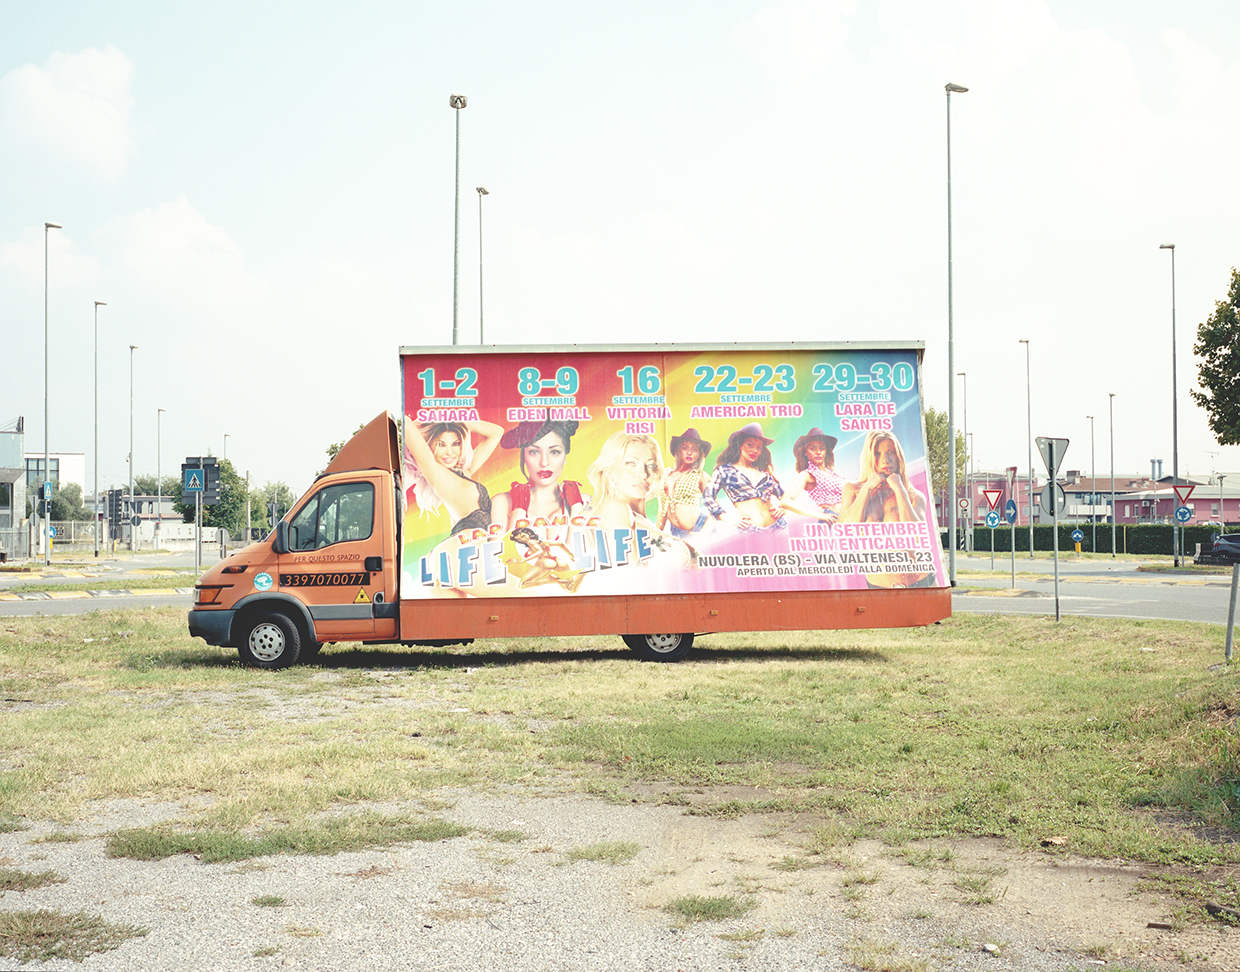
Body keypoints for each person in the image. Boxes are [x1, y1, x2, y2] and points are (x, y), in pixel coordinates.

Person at [403, 417, 503, 536]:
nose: (449, 452)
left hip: (475, 547)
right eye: (441, 445)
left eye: (456, 444)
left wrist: (456, 420)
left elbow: (497, 432)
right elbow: (407, 423)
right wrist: (436, 418)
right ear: (430, 447)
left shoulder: (464, 472)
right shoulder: (435, 472)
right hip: (467, 545)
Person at [490, 418, 584, 531]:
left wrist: (576, 507)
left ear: (565, 455)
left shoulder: (584, 501)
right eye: (534, 452)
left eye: (554, 452)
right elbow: (503, 548)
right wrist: (519, 510)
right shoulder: (502, 502)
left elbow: (586, 547)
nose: (544, 462)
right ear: (524, 456)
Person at [703, 423, 787, 531]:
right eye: (750, 445)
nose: (755, 451)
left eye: (759, 447)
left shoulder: (765, 475)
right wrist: (729, 520)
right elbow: (707, 497)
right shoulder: (724, 471)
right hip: (749, 529)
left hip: (779, 526)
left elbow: (785, 497)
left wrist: (783, 508)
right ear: (740, 445)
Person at [838, 430, 926, 524]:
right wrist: (866, 488)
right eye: (877, 454)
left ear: (899, 456)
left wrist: (900, 489)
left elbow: (917, 534)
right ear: (869, 458)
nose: (885, 460)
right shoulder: (852, 489)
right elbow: (843, 528)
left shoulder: (915, 496)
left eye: (891, 452)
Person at [585, 432, 664, 531]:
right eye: (631, 463)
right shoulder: (614, 509)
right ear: (608, 470)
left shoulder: (639, 519)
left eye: (650, 465)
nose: (643, 474)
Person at [657, 428, 712, 539]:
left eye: (695, 449)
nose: (689, 452)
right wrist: (657, 534)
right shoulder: (666, 473)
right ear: (678, 450)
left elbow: (715, 509)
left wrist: (704, 533)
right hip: (676, 533)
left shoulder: (701, 476)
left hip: (698, 528)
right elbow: (662, 507)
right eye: (685, 448)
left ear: (699, 454)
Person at [784, 427, 844, 523]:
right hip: (831, 520)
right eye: (813, 448)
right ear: (805, 453)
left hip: (846, 520)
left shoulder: (832, 473)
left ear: (826, 452)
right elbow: (785, 501)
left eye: (822, 448)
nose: (818, 452)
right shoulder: (807, 474)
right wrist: (819, 515)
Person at [506, 526, 584, 592]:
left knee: (522, 585)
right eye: (519, 539)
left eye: (523, 536)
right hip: (559, 562)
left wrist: (521, 561)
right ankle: (581, 574)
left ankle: (548, 580)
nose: (523, 539)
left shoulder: (531, 542)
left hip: (545, 562)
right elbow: (560, 544)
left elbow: (540, 552)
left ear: (529, 533)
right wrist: (570, 554)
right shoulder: (542, 542)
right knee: (570, 589)